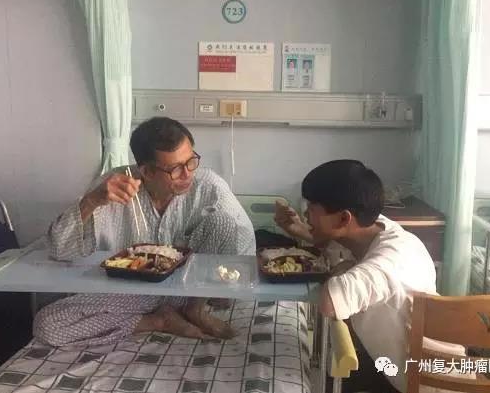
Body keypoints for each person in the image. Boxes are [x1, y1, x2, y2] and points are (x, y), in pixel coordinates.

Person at [33, 117, 256, 347]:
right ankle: (159, 321)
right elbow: (60, 250)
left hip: (190, 289)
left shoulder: (209, 187)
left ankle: (195, 310)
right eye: (175, 169)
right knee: (47, 325)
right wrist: (91, 201)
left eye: (191, 161)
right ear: (147, 171)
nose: (187, 174)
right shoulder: (113, 188)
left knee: (224, 221)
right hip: (134, 292)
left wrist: (218, 291)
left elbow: (242, 247)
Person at [275, 160, 437, 393]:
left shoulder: (388, 263)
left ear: (344, 218)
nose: (305, 214)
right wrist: (301, 230)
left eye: (311, 207)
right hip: (391, 368)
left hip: (426, 385)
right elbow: (340, 240)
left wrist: (345, 267)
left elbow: (331, 302)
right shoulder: (377, 227)